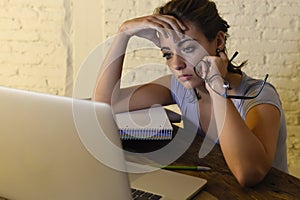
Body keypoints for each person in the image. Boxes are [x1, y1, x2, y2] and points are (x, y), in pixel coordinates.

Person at [93, 0, 288, 187]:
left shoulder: (259, 97)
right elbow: (105, 102)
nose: (176, 64)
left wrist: (216, 86)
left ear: (218, 41)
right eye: (167, 54)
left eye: (188, 48)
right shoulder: (181, 87)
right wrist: (123, 34)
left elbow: (248, 173)